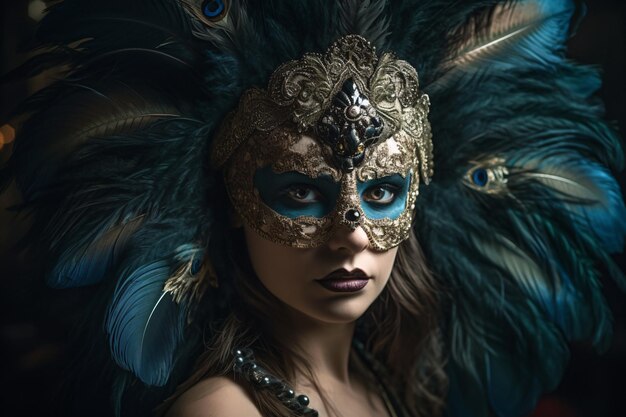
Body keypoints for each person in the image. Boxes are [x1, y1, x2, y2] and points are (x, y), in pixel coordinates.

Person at [1, 1, 624, 416]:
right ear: (234, 206)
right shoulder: (223, 409)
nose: (350, 236)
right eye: (300, 193)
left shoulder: (388, 385)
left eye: (382, 191)